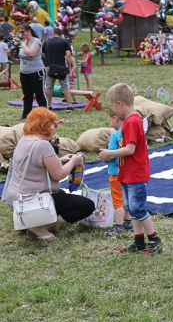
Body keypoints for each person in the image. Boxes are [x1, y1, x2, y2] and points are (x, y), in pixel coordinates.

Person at [2, 108, 92, 240]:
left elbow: (35, 164)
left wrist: (61, 160)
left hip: (16, 199)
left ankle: (29, 222)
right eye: (52, 124)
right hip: (33, 199)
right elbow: (59, 175)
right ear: (44, 125)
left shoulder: (24, 139)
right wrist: (74, 161)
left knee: (61, 196)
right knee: (86, 206)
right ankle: (39, 227)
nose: (54, 128)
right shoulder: (43, 145)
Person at [99, 83, 163, 254]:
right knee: (130, 206)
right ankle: (139, 241)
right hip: (126, 173)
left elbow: (130, 149)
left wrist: (110, 153)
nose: (112, 110)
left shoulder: (132, 122)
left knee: (137, 208)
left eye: (112, 106)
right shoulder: (128, 122)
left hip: (136, 173)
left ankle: (154, 239)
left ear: (119, 103)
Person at [104, 108, 133, 237]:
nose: (110, 124)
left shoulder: (115, 136)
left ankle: (119, 226)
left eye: (110, 121)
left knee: (118, 201)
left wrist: (104, 155)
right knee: (127, 198)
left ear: (115, 119)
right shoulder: (129, 134)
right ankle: (129, 221)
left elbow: (110, 154)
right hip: (128, 173)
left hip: (116, 174)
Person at [42, 28, 76, 112]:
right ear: (60, 34)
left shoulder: (47, 42)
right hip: (61, 67)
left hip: (49, 67)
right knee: (66, 87)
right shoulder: (65, 42)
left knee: (48, 88)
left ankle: (49, 106)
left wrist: (47, 62)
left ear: (53, 34)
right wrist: (69, 67)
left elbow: (43, 54)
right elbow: (68, 55)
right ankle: (69, 106)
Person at [18, 23, 47, 120]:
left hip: (36, 71)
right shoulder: (24, 41)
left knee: (39, 94)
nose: (21, 34)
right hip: (24, 72)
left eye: (23, 32)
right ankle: (26, 115)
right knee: (27, 94)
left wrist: (23, 45)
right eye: (20, 32)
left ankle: (44, 115)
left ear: (28, 31)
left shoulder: (36, 41)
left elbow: (31, 53)